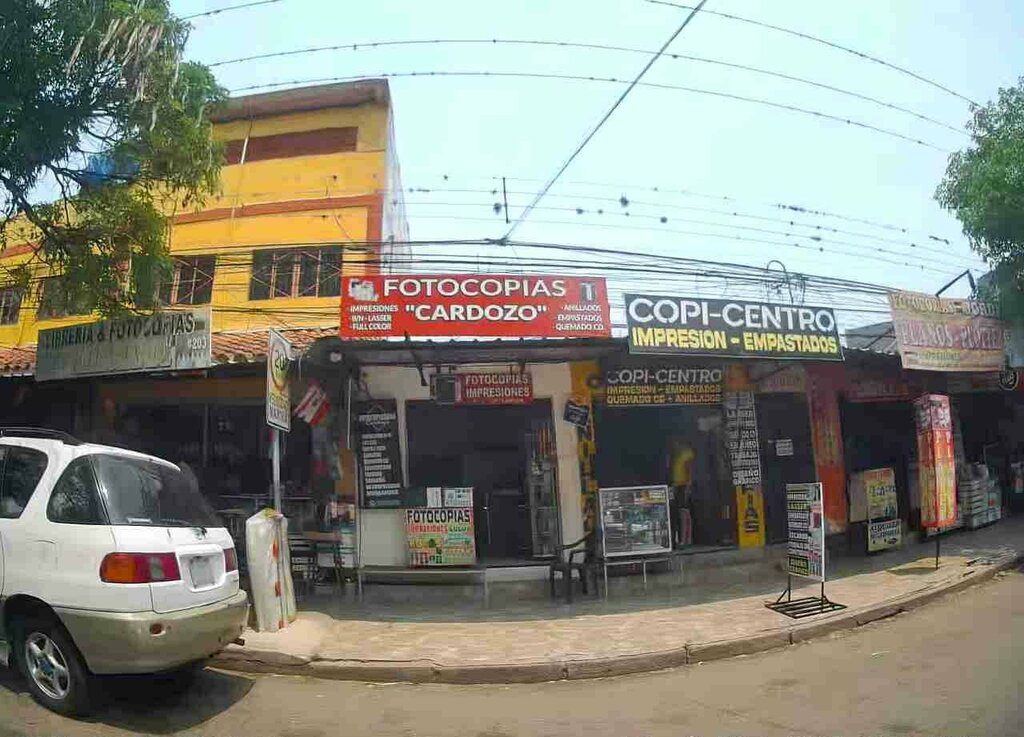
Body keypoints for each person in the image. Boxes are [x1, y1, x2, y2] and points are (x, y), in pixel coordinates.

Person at [668, 438, 695, 548]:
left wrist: (688, 485)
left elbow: (690, 470)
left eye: (676, 444)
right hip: (677, 485)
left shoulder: (687, 453)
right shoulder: (677, 455)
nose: (674, 447)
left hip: (684, 485)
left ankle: (686, 539)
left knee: (684, 513)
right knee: (679, 512)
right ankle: (682, 539)